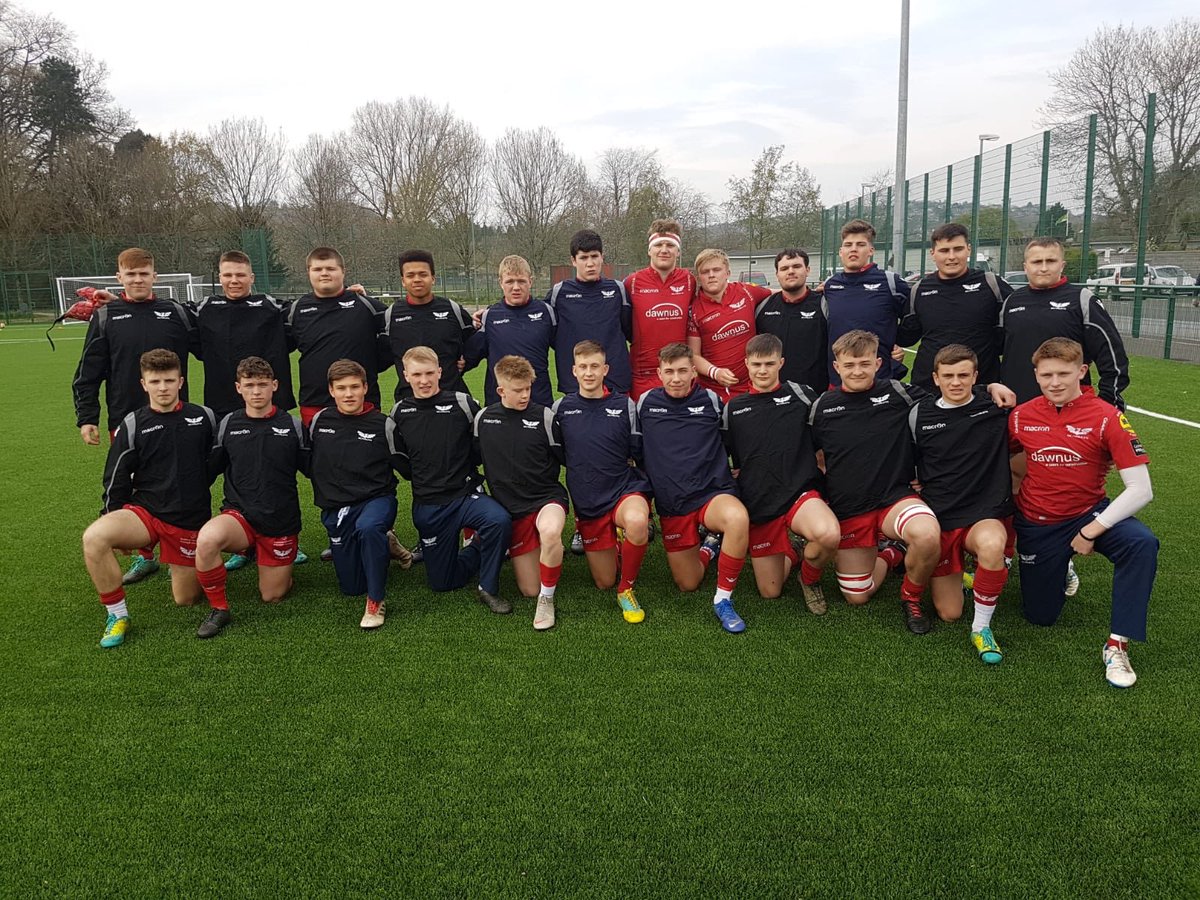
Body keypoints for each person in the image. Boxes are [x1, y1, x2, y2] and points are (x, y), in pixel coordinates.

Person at [1008, 338, 1158, 688]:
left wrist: (1092, 530)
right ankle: (1062, 565)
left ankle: (1117, 644)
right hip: (1037, 521)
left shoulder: (1107, 417)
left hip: (1088, 515)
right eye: (1047, 375)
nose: (1055, 382)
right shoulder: (1021, 416)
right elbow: (996, 457)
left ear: (1082, 371)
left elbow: (1141, 489)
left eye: (1063, 373)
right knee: (1040, 617)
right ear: (1036, 375)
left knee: (1141, 543)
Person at [809, 331, 956, 633]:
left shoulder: (899, 394)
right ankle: (892, 554)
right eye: (849, 365)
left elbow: (948, 407)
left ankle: (911, 598)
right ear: (836, 367)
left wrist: (990, 387)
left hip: (894, 499)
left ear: (878, 363)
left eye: (865, 363)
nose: (857, 371)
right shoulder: (823, 406)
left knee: (927, 535)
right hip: (850, 508)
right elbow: (814, 456)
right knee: (857, 597)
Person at [73, 247, 199, 585]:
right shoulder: (106, 316)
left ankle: (179, 546)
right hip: (125, 418)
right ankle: (145, 555)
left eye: (144, 273)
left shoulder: (175, 312)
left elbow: (212, 342)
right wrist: (87, 417)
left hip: (175, 418)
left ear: (155, 276)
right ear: (120, 278)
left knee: (175, 480)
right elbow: (89, 372)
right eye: (131, 274)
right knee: (132, 483)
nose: (138, 279)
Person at [81, 349, 215, 648]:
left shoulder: (203, 417)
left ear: (181, 381)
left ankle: (179, 559)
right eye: (155, 381)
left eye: (169, 380)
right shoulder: (132, 423)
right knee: (95, 538)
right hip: (146, 512)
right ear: (143, 384)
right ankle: (117, 615)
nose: (163, 387)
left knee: (187, 599)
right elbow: (115, 476)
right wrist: (111, 516)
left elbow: (220, 461)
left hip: (188, 519)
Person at [908, 344, 1014, 663]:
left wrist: (993, 387)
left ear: (976, 377)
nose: (956, 382)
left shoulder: (994, 406)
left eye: (964, 375)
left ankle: (981, 628)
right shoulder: (919, 415)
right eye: (949, 375)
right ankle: (968, 577)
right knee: (949, 612)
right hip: (940, 517)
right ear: (936, 378)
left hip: (983, 513)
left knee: (994, 544)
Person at [637, 342, 752, 633]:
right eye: (669, 371)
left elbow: (733, 438)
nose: (676, 378)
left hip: (711, 493)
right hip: (673, 502)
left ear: (693, 373)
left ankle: (723, 600)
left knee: (737, 518)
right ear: (659, 374)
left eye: (682, 371)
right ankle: (709, 547)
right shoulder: (645, 404)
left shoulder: (712, 401)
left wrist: (740, 465)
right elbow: (635, 450)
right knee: (688, 584)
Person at [721, 334, 840, 613]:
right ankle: (793, 551)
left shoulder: (801, 395)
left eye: (770, 363)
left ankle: (809, 579)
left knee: (828, 535)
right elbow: (726, 456)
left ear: (781, 363)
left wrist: (822, 466)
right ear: (746, 364)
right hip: (761, 501)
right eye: (757, 364)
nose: (762, 370)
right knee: (770, 591)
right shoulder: (733, 409)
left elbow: (823, 439)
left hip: (800, 491)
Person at [391, 346, 512, 614]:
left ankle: (488, 587)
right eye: (417, 374)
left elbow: (481, 444)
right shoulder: (399, 413)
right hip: (429, 504)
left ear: (440, 372)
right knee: (442, 583)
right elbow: (401, 461)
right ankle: (479, 549)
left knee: (499, 520)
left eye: (429, 373)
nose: (424, 381)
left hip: (465, 495)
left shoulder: (463, 403)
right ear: (406, 375)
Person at [193, 357, 308, 639]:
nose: (256, 391)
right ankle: (219, 608)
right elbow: (208, 470)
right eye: (250, 385)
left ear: (275, 386)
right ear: (238, 388)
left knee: (272, 596)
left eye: (262, 385)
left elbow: (317, 470)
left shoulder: (292, 426)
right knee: (207, 539)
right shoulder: (228, 424)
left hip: (279, 520)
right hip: (239, 515)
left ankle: (277, 562)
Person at [553, 341, 653, 624]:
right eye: (583, 367)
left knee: (636, 521)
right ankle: (617, 547)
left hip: (623, 489)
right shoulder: (561, 408)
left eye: (594, 366)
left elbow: (639, 450)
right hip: (588, 500)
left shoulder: (624, 405)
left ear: (605, 369)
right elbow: (558, 454)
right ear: (574, 371)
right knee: (603, 581)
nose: (589, 373)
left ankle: (627, 589)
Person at [474, 355, 568, 630]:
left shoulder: (545, 417)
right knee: (528, 588)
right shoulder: (484, 419)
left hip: (545, 499)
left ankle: (547, 600)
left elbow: (565, 457)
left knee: (550, 531)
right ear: (501, 390)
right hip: (512, 511)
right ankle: (545, 550)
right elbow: (472, 459)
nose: (525, 395)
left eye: (528, 388)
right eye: (518, 390)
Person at [308, 359, 402, 630]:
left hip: (376, 500)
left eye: (354, 387)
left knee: (369, 526)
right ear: (331, 390)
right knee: (351, 587)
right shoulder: (319, 421)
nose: (348, 394)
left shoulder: (383, 424)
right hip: (337, 507)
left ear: (365, 388)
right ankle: (386, 545)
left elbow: (405, 463)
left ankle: (376, 601)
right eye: (341, 388)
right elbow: (309, 462)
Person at [998, 237, 1129, 408]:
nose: (1043, 268)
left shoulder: (1082, 300)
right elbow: (997, 351)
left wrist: (1108, 402)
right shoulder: (1012, 301)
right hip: (1018, 407)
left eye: (1051, 261)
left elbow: (1113, 356)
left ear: (1062, 265)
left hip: (1069, 409)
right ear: (1025, 267)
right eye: (1037, 262)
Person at [898, 223, 1012, 391]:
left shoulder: (991, 284)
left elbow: (1015, 329)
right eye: (944, 251)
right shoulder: (919, 290)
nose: (951, 256)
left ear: (968, 250)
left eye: (958, 249)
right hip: (929, 388)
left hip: (981, 387)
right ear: (933, 254)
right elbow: (906, 336)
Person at [286, 247, 389, 428]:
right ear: (308, 272)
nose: (324, 273)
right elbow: (276, 345)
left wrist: (375, 364)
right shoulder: (297, 310)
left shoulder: (367, 306)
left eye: (331, 269)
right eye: (318, 269)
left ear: (343, 271)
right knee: (319, 455)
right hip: (315, 402)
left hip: (362, 400)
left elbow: (402, 334)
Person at [820, 219, 909, 387]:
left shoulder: (891, 282)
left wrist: (898, 342)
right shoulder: (830, 285)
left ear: (871, 250)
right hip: (838, 380)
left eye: (860, 244)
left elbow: (913, 318)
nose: (853, 249)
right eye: (848, 245)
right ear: (841, 251)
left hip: (879, 379)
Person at [547, 229, 632, 395]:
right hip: (576, 383)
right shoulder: (559, 293)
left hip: (615, 381)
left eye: (594, 256)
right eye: (583, 258)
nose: (590, 263)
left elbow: (629, 330)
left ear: (602, 257)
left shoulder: (617, 290)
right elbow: (547, 330)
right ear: (573, 260)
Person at [464, 255, 557, 407]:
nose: (516, 287)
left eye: (521, 281)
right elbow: (468, 356)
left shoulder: (546, 312)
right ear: (501, 283)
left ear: (530, 281)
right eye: (509, 281)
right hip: (499, 405)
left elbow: (567, 349)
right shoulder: (490, 316)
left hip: (538, 403)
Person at [385, 249, 476, 400]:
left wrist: (467, 360)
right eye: (410, 275)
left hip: (451, 398)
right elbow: (382, 353)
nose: (417, 279)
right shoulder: (391, 314)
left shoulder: (453, 310)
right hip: (409, 401)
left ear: (433, 278)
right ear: (403, 281)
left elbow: (474, 341)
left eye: (423, 274)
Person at [624, 220, 696, 399]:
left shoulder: (689, 281)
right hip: (643, 375)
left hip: (679, 375)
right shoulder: (632, 282)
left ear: (678, 252)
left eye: (670, 245)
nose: (664, 250)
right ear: (649, 250)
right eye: (658, 245)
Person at [686, 248, 770, 400]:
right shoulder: (694, 309)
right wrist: (715, 372)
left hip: (752, 387)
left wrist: (817, 291)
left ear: (728, 273)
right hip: (715, 391)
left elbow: (778, 293)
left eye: (716, 270)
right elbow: (693, 355)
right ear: (699, 277)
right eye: (705, 272)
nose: (711, 275)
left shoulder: (746, 291)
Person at [753, 249, 828, 394]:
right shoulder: (763, 307)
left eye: (796, 266)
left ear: (807, 270)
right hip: (773, 395)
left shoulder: (824, 304)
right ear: (777, 274)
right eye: (784, 268)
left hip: (815, 394)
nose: (791, 271)